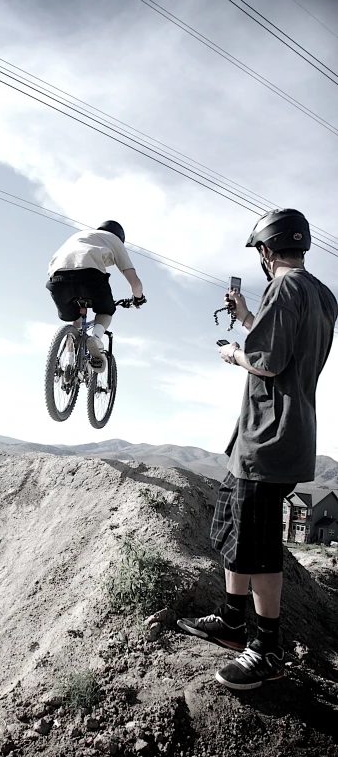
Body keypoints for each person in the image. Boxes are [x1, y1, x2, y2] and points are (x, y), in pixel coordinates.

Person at [177, 208, 338, 690]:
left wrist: (232, 354)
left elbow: (267, 362)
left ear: (266, 252)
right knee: (237, 523)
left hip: (268, 434)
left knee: (262, 545)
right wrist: (249, 315)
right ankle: (231, 621)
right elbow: (287, 344)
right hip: (283, 432)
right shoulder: (322, 295)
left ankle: (266, 648)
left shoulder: (284, 288)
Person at [46, 221, 146, 371]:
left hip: (57, 281)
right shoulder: (114, 240)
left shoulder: (81, 236)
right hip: (89, 277)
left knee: (76, 318)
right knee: (106, 310)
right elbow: (135, 284)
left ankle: (69, 359)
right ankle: (96, 339)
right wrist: (138, 298)